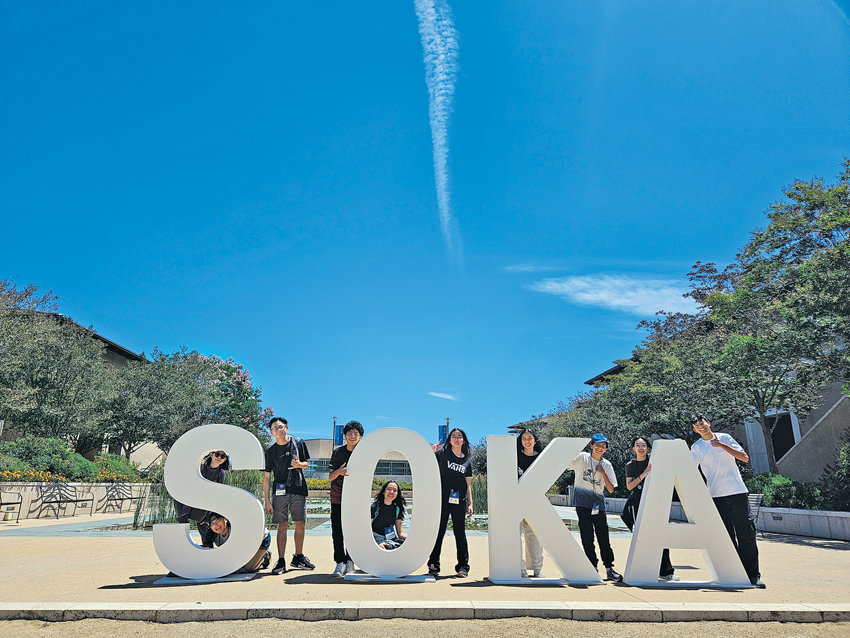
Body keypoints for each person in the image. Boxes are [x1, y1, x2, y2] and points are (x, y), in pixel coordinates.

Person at [689, 413, 765, 588]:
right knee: (726, 538)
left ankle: (753, 576)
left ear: (708, 423)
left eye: (702, 423)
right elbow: (690, 468)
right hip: (716, 496)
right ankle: (734, 574)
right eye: (696, 426)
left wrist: (721, 445)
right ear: (695, 430)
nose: (700, 427)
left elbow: (744, 457)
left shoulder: (724, 438)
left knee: (747, 536)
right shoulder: (697, 447)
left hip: (737, 493)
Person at [263, 416, 314, 575]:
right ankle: (281, 561)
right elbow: (266, 477)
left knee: (301, 523)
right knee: (282, 525)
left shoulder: (298, 443)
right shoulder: (270, 452)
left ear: (286, 428)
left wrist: (299, 464)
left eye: (281, 427)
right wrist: (267, 501)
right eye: (275, 428)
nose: (279, 430)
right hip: (279, 491)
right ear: (271, 432)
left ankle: (298, 557)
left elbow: (306, 463)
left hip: (298, 488)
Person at [568, 433, 622, 582]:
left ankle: (609, 569)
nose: (600, 447)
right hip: (582, 504)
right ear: (591, 445)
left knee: (603, 538)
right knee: (587, 537)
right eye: (597, 444)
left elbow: (611, 489)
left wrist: (603, 473)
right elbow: (566, 464)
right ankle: (592, 568)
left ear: (606, 449)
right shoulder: (582, 458)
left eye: (603, 445)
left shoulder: (607, 465)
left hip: (599, 505)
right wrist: (574, 446)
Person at [623, 436, 678, 581]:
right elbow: (630, 486)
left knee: (661, 535)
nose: (641, 447)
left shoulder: (654, 461)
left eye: (643, 445)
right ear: (633, 448)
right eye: (637, 445)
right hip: (638, 503)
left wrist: (675, 444)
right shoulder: (630, 465)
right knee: (642, 538)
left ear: (648, 448)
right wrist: (644, 474)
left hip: (655, 502)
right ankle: (641, 570)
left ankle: (665, 572)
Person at [427, 427, 473, 578]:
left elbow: (468, 485)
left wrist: (470, 504)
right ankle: (433, 564)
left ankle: (463, 567)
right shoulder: (442, 454)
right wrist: (432, 452)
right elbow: (428, 466)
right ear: (450, 439)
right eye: (454, 436)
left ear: (463, 440)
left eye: (459, 436)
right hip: (441, 500)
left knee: (460, 533)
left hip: (459, 501)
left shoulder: (467, 461)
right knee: (438, 531)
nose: (456, 439)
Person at [329, 420, 364, 578]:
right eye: (349, 433)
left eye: (356, 433)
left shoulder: (363, 453)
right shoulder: (337, 453)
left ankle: (350, 560)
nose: (352, 436)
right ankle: (340, 561)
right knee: (337, 530)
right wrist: (339, 471)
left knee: (354, 530)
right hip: (338, 497)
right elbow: (330, 477)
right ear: (345, 436)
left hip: (356, 498)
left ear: (360, 436)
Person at [173, 449, 230, 538]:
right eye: (217, 454)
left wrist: (208, 514)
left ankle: (205, 543)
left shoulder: (221, 473)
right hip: (186, 500)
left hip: (202, 504)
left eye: (222, 456)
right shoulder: (200, 465)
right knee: (182, 522)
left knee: (203, 528)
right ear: (211, 454)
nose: (219, 457)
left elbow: (215, 493)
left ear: (225, 459)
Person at [202, 512, 272, 574]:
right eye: (212, 523)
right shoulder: (212, 535)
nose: (216, 525)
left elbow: (243, 550)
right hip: (243, 548)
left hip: (261, 538)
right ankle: (256, 558)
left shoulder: (235, 529)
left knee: (248, 569)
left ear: (225, 519)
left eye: (218, 520)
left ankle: (265, 556)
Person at [516, 429, 545, 578]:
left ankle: (538, 568)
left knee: (534, 536)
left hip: (534, 501)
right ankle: (520, 568)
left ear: (535, 440)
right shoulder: (515, 456)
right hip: (516, 501)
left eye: (530, 438)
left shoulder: (541, 458)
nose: (527, 441)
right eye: (524, 438)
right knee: (515, 535)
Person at [371, 480, 407, 550]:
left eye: (394, 490)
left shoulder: (397, 509)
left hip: (391, 538)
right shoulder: (375, 507)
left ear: (397, 494)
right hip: (376, 539)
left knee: (406, 545)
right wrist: (377, 543)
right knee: (389, 548)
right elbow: (366, 531)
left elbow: (400, 533)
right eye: (389, 489)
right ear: (384, 491)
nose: (391, 492)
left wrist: (410, 539)